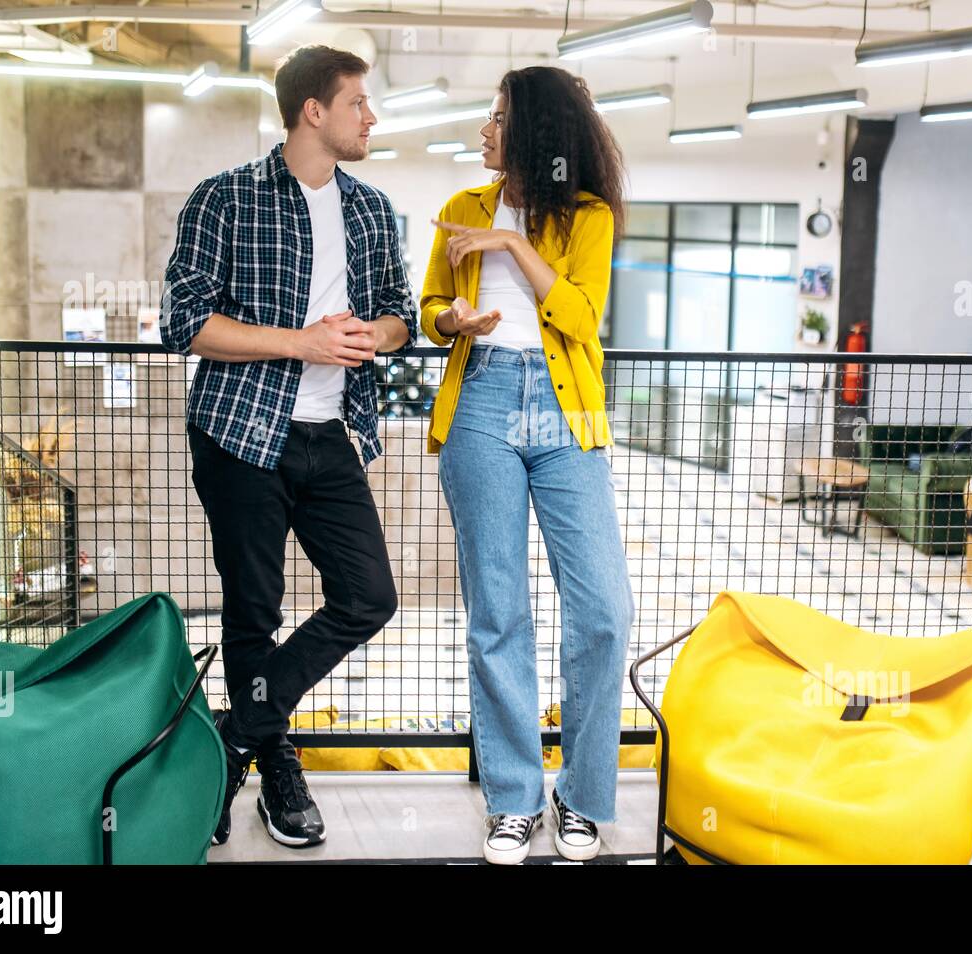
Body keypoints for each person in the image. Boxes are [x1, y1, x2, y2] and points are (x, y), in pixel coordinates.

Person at [160, 45, 415, 849]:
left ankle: (239, 733)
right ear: (314, 110)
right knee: (253, 612)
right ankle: (278, 770)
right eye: (358, 104)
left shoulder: (372, 209)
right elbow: (186, 325)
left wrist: (373, 332)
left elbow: (400, 316)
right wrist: (299, 344)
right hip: (240, 433)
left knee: (369, 595)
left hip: (330, 434)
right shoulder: (224, 199)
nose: (371, 117)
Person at [420, 65, 636, 864]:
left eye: (498, 116)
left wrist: (513, 242)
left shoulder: (585, 217)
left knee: (603, 609)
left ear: (536, 132)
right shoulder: (458, 210)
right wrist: (456, 319)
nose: (484, 128)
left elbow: (580, 315)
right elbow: (429, 305)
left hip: (564, 405)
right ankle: (513, 799)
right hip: (479, 402)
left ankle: (580, 798)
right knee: (498, 612)